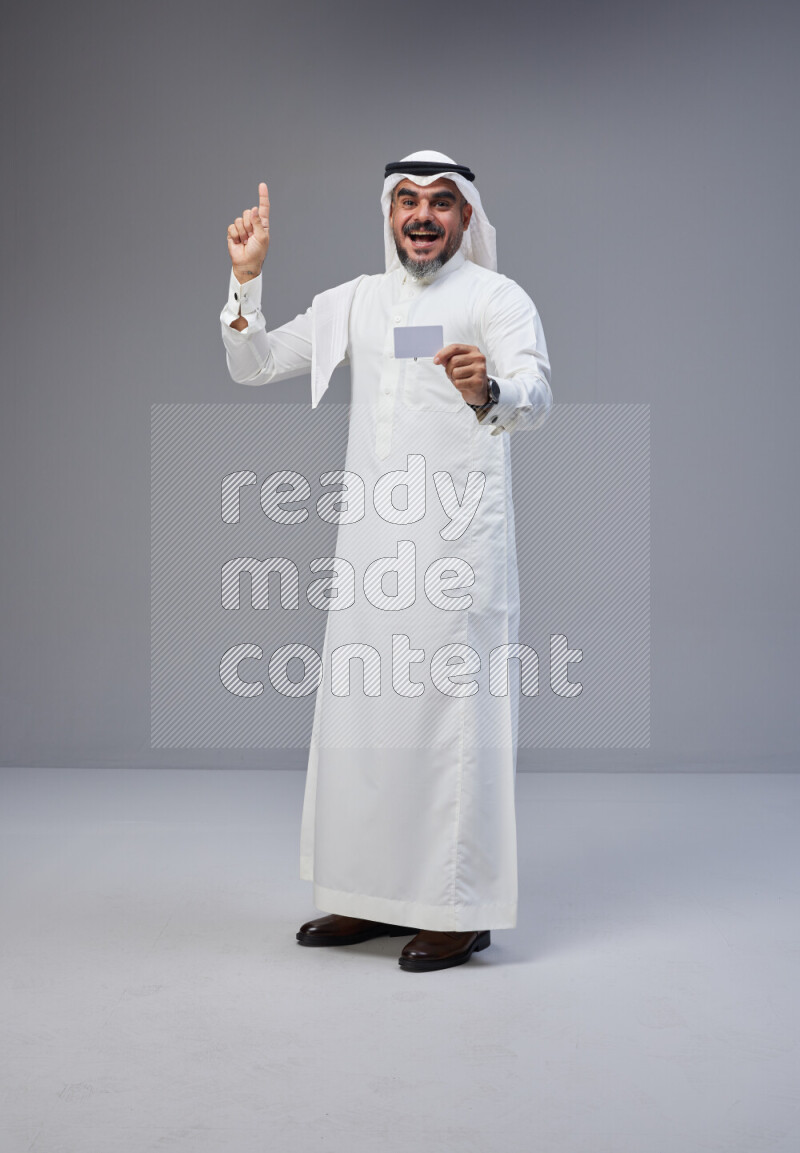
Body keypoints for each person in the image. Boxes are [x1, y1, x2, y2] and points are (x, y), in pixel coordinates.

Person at [220, 150, 552, 972]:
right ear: (389, 213)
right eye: (408, 200)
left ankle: (460, 908)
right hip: (369, 556)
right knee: (366, 726)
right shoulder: (358, 304)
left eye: (442, 202)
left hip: (456, 558)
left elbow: (537, 394)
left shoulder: (496, 299)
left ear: (467, 217)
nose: (424, 215)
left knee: (452, 727)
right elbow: (253, 362)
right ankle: (370, 896)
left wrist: (490, 393)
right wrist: (247, 282)